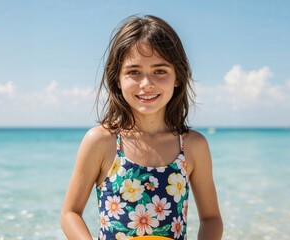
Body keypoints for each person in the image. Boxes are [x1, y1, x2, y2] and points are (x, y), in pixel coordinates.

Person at [60, 15, 223, 240]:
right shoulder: (101, 141)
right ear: (117, 78)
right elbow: (70, 213)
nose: (147, 84)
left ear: (178, 77)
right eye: (134, 72)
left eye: (160, 71)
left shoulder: (192, 146)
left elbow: (211, 218)